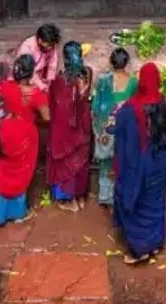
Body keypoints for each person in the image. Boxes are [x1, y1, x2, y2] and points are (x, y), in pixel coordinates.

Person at [113, 62, 166, 264]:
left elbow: (124, 140)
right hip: (161, 159)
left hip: (140, 163)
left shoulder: (130, 109)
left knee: (136, 201)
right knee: (155, 202)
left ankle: (140, 250)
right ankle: (154, 243)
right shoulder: (164, 102)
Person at [47, 41, 94, 211]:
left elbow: (54, 104)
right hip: (82, 124)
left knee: (66, 162)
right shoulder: (87, 74)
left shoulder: (59, 80)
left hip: (64, 128)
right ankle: (80, 196)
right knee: (80, 160)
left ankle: (68, 200)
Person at [92, 46, 137, 207]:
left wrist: (97, 126)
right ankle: (120, 194)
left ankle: (105, 195)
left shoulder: (103, 80)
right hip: (123, 128)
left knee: (105, 164)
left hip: (105, 128)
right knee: (121, 161)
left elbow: (96, 105)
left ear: (111, 62)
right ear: (126, 63)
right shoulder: (133, 82)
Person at [0, 81, 38, 227]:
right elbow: (32, 147)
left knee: (3, 190)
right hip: (20, 168)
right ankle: (18, 215)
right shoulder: (26, 126)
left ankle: (0, 218)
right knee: (18, 188)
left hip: (3, 168)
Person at [16, 23, 62, 93]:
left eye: (53, 45)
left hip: (39, 76)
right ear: (40, 40)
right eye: (49, 45)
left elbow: (52, 64)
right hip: (25, 78)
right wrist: (41, 85)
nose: (51, 48)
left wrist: (49, 81)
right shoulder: (27, 47)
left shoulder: (51, 46)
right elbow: (28, 70)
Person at [11, 53, 50, 123]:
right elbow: (47, 117)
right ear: (32, 72)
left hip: (6, 129)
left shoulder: (6, 86)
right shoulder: (36, 93)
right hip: (25, 131)